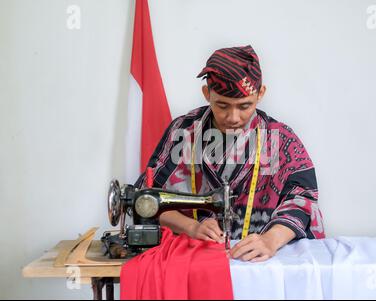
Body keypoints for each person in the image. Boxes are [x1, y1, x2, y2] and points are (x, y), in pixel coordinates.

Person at [134, 45, 325, 262]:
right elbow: (146, 198)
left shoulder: (280, 139)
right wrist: (192, 227)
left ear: (260, 94)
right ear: (207, 94)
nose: (233, 117)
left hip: (262, 262)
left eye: (244, 106)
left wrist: (271, 240)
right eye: (222, 105)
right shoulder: (184, 133)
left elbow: (304, 200)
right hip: (195, 260)